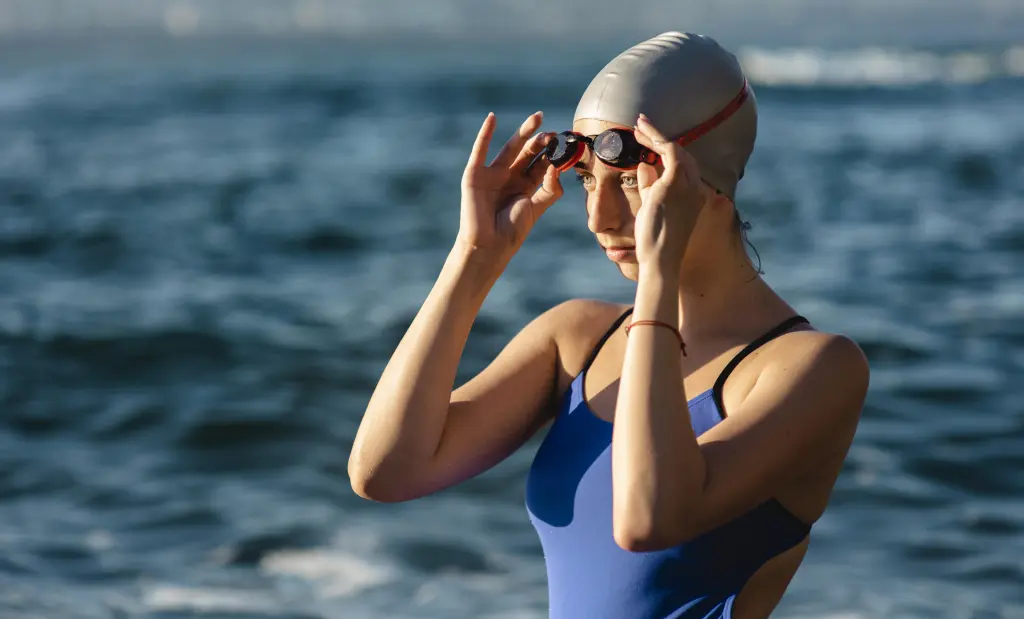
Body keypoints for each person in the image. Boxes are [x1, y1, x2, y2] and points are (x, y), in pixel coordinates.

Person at [348, 31, 869, 619]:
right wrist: (474, 256)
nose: (599, 215)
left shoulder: (814, 368)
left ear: (707, 180)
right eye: (587, 180)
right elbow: (385, 472)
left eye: (626, 181)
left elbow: (648, 519)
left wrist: (658, 279)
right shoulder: (576, 340)